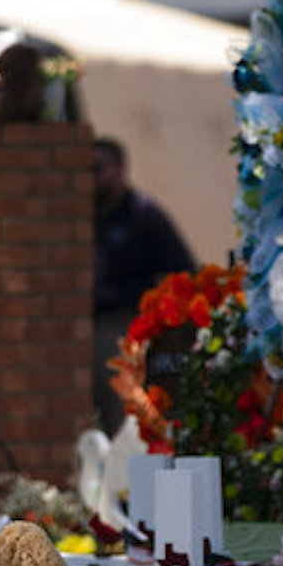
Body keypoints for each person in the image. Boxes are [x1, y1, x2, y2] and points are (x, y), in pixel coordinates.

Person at [91, 137, 196, 432]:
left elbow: (181, 273)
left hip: (128, 324)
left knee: (125, 412)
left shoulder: (143, 214)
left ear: (120, 168)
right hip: (93, 326)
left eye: (98, 168)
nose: (92, 178)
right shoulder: (88, 217)